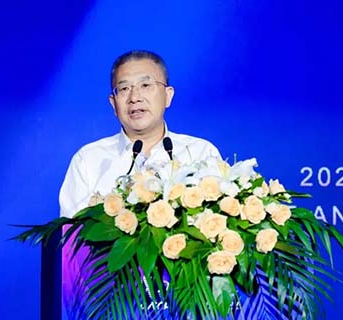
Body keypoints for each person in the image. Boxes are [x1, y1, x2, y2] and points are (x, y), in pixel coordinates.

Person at [58, 50, 221, 217]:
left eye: (145, 85)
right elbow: (70, 230)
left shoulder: (200, 153)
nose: (134, 97)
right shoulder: (88, 160)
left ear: (168, 96)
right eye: (124, 88)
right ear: (114, 104)